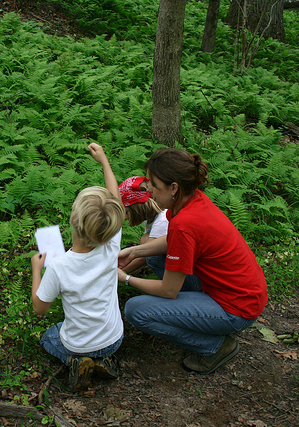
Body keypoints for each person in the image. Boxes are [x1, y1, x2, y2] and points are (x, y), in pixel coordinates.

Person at [117, 148, 268, 374]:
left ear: (174, 188)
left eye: (155, 186)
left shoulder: (185, 224)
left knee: (136, 310)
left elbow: (169, 290)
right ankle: (193, 314)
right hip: (239, 290)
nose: (150, 191)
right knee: (155, 258)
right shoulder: (191, 202)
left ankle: (216, 346)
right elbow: (172, 240)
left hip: (237, 307)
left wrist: (126, 278)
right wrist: (135, 251)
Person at [31, 143, 124, 392]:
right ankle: (101, 360)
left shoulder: (59, 266)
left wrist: (37, 270)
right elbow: (115, 199)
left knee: (49, 336)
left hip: (79, 345)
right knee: (97, 344)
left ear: (73, 218)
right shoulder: (111, 244)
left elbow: (39, 308)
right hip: (114, 339)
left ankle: (77, 361)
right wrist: (104, 161)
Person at [119, 176, 201, 290]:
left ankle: (182, 289)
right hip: (189, 269)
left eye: (127, 212)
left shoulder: (163, 220)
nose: (126, 218)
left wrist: (118, 274)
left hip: (198, 279)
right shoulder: (153, 218)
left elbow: (143, 257)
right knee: (146, 239)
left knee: (152, 256)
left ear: (138, 208)